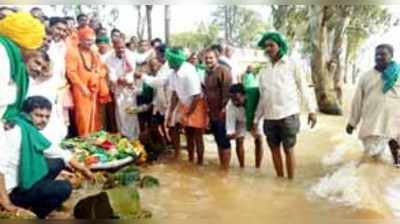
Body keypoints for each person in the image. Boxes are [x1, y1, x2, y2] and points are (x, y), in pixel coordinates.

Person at [0, 96, 94, 219]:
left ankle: (33, 201)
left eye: (47, 116)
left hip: (21, 180)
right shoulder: (13, 132)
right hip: (9, 192)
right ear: (27, 114)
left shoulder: (26, 128)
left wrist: (82, 168)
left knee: (58, 162)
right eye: (38, 115)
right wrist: (7, 204)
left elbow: (56, 152)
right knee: (64, 188)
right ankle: (37, 213)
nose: (43, 120)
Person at [253, 32, 317, 179]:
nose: (268, 48)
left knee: (288, 149)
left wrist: (311, 110)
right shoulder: (264, 70)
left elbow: (303, 87)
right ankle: (281, 180)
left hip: (288, 114)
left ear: (280, 46)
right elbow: (263, 97)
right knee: (274, 150)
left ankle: (291, 182)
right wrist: (256, 119)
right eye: (266, 46)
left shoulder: (292, 64)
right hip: (269, 117)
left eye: (271, 45)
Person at [346, 44, 400, 166]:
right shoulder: (366, 76)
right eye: (377, 54)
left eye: (383, 54)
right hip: (373, 122)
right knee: (371, 158)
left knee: (397, 161)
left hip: (395, 122)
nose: (379, 57)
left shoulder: (399, 74)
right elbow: (357, 101)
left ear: (391, 56)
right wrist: (352, 122)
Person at [66, 26, 111, 137]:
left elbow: (103, 68)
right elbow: (71, 72)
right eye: (87, 40)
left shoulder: (94, 53)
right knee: (83, 117)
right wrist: (82, 87)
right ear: (80, 40)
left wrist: (97, 75)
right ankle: (85, 141)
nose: (90, 43)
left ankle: (96, 140)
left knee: (96, 116)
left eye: (91, 40)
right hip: (81, 91)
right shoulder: (73, 52)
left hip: (94, 89)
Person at [165, 48, 208, 164]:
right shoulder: (173, 73)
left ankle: (200, 163)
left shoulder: (189, 72)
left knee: (198, 136)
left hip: (197, 104)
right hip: (185, 103)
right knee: (188, 134)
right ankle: (190, 161)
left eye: (168, 60)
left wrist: (188, 114)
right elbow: (175, 94)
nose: (167, 62)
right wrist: (171, 113)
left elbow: (197, 96)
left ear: (174, 61)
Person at [104, 37, 139, 139]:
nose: (121, 50)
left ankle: (134, 138)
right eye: (118, 48)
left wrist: (128, 80)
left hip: (130, 89)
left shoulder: (130, 55)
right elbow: (111, 74)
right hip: (118, 89)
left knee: (132, 113)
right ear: (113, 47)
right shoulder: (109, 58)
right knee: (121, 114)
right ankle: (124, 136)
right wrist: (119, 80)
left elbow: (131, 71)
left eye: (123, 47)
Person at [204, 48, 233, 170]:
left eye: (211, 58)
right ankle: (222, 166)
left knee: (224, 141)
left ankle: (225, 169)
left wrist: (224, 110)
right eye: (206, 58)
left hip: (223, 112)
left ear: (217, 58)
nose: (208, 60)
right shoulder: (208, 73)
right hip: (212, 113)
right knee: (218, 140)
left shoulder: (223, 71)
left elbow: (227, 93)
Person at [226, 84, 263, 168]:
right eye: (232, 99)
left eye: (237, 99)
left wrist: (254, 126)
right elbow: (229, 133)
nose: (234, 102)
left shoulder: (255, 99)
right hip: (240, 121)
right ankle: (241, 166)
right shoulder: (230, 107)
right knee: (239, 141)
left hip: (255, 117)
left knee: (259, 140)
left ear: (245, 95)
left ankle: (258, 167)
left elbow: (261, 110)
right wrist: (235, 134)